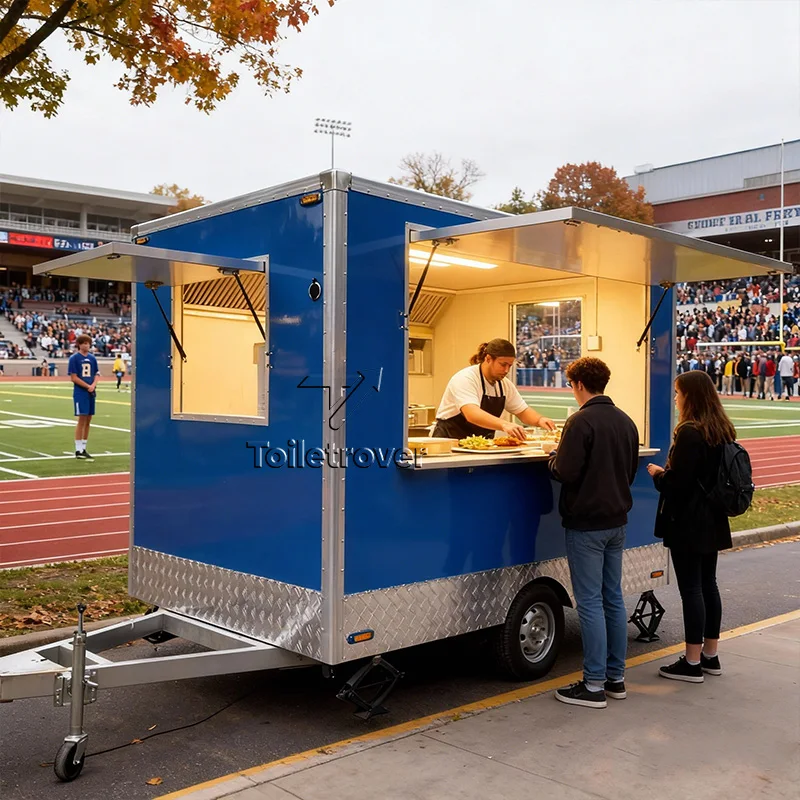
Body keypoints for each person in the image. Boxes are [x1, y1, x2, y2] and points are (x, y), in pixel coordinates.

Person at [549, 357, 640, 709]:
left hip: (586, 523)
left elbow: (566, 472)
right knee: (612, 598)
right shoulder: (626, 421)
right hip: (617, 521)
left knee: (589, 603)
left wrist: (552, 458)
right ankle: (615, 678)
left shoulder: (580, 421)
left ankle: (593, 684)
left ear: (579, 385)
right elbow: (629, 472)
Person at [647, 370, 735, 683]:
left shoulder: (689, 433)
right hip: (713, 518)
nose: (675, 398)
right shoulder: (721, 429)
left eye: (678, 393)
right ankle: (710, 654)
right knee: (708, 584)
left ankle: (692, 661)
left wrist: (658, 473)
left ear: (690, 396)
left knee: (692, 589)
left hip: (688, 521)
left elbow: (677, 484)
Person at [432, 339, 556, 440]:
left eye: (510, 366)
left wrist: (540, 420)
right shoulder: (466, 378)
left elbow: (522, 411)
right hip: (449, 442)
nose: (507, 370)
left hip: (480, 446)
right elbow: (472, 414)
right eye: (503, 365)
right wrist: (504, 424)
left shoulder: (504, 385)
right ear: (488, 359)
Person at [67, 334, 99, 460]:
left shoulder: (92, 358)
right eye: (84, 343)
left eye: (88, 343)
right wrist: (87, 386)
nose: (86, 345)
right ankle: (78, 449)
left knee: (89, 419)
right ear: (79, 344)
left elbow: (96, 374)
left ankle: (84, 447)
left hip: (91, 391)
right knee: (82, 418)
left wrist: (93, 385)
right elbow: (73, 377)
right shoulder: (74, 358)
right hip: (81, 392)